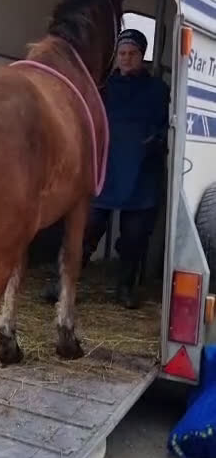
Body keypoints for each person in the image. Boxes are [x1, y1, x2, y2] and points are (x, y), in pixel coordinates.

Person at [44, 27, 170, 309]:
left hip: (141, 171)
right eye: (122, 54)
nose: (126, 59)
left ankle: (125, 287)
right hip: (104, 170)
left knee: (135, 236)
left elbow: (167, 125)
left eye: (133, 54)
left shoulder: (158, 90)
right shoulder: (102, 87)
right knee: (85, 230)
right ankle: (62, 281)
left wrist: (158, 140)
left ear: (143, 56)